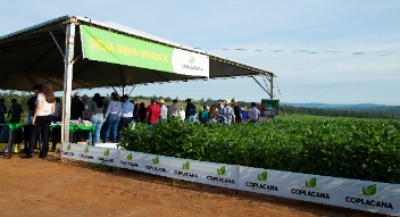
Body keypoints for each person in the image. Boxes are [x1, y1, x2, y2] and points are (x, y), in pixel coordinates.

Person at [26, 82, 55, 158]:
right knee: (45, 135)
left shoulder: (40, 95)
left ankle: (31, 152)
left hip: (40, 116)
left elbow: (38, 107)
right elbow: (53, 110)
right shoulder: (52, 96)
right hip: (48, 116)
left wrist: (34, 117)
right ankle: (44, 153)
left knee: (33, 133)